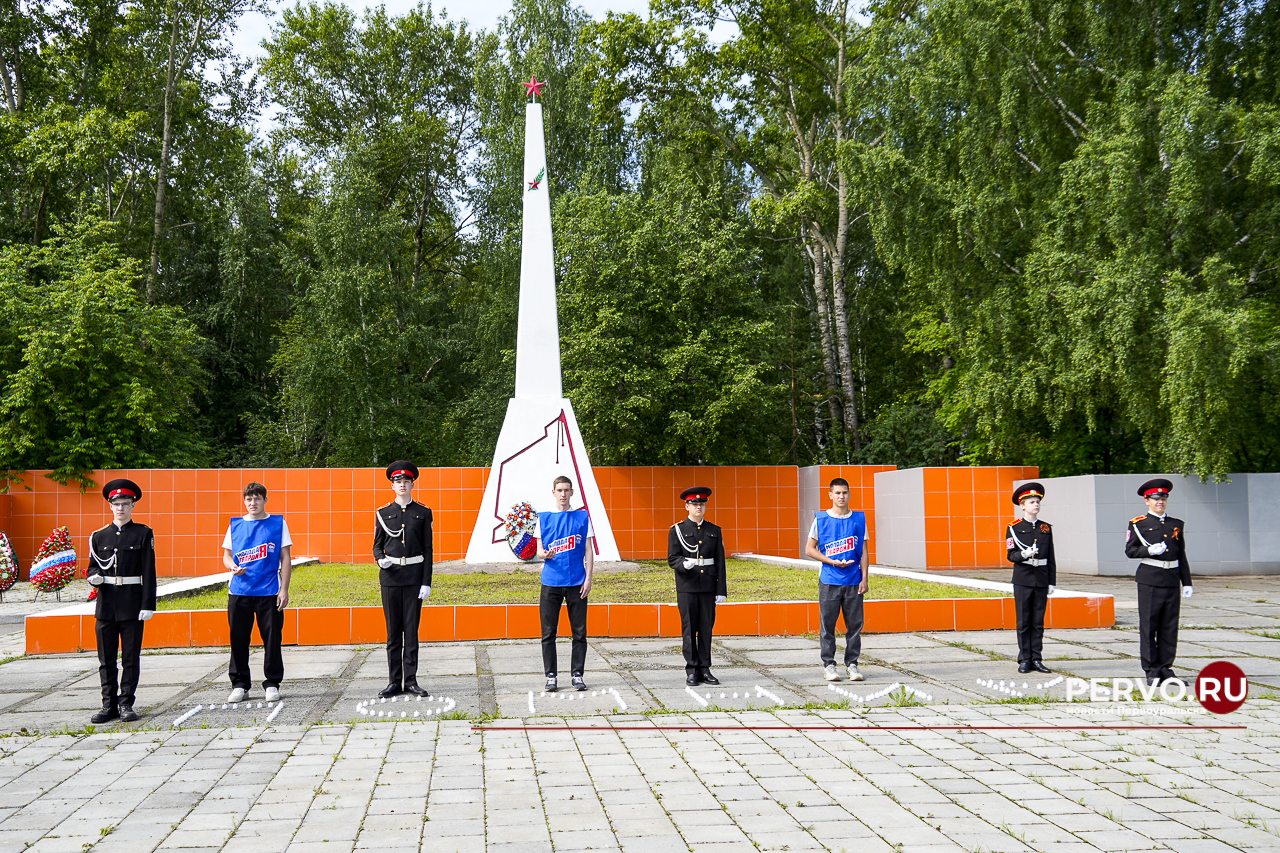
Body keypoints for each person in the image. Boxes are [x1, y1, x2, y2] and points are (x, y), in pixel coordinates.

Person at [86, 479, 157, 723]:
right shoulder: (99, 536)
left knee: (130, 658)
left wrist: (148, 604)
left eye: (125, 503)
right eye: (116, 504)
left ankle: (126, 703)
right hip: (106, 604)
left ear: (133, 505)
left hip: (132, 604)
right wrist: (93, 578)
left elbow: (149, 572)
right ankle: (108, 705)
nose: (120, 508)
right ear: (110, 506)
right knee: (106, 659)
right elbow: (92, 567)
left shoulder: (143, 533)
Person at [222, 482, 292, 703]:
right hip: (239, 592)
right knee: (238, 639)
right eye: (249, 499)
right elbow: (226, 556)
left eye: (257, 498)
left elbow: (286, 558)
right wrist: (233, 567)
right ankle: (240, 684)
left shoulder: (278, 523)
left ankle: (272, 683)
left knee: (272, 639)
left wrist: (284, 589)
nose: (253, 503)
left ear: (265, 500)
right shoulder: (235, 525)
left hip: (269, 591)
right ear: (244, 501)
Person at [372, 461, 434, 698]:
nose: (402, 485)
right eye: (398, 482)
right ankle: (394, 682)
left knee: (411, 631)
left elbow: (428, 550)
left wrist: (426, 582)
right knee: (393, 633)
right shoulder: (383, 513)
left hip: (414, 578)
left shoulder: (423, 512)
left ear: (412, 485)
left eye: (406, 481)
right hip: (391, 578)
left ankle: (411, 681)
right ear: (392, 485)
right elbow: (377, 545)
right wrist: (380, 560)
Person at [1125, 478, 1192, 685]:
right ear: (1147, 501)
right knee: (1149, 625)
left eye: (1163, 498)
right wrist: (1149, 551)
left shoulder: (1176, 524)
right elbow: (1130, 551)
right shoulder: (1138, 524)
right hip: (1150, 579)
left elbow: (1181, 554)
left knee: (1169, 627)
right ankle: (1152, 670)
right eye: (1155, 498)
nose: (1160, 501)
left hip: (1171, 579)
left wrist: (1187, 582)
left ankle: (1166, 668)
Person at [534, 476, 594, 692]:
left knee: (579, 632)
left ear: (572, 492)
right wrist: (545, 555)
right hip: (551, 583)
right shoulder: (544, 518)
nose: (563, 494)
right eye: (559, 490)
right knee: (548, 633)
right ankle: (551, 676)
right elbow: (539, 551)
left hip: (577, 583)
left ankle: (577, 674)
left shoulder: (582, 517)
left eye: (566, 490)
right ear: (553, 492)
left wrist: (588, 578)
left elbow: (588, 550)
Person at [805, 478, 869, 682]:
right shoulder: (821, 519)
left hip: (853, 580)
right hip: (829, 580)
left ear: (849, 494)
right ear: (830, 495)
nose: (841, 496)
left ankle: (852, 665)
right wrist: (831, 561)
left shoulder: (859, 519)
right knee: (827, 626)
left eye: (845, 492)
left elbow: (864, 552)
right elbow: (809, 549)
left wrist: (865, 578)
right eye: (838, 493)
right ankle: (829, 665)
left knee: (855, 626)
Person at [668, 487, 728, 686]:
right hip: (687, 586)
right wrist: (683, 564)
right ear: (687, 507)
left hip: (708, 586)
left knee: (705, 629)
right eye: (694, 504)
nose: (698, 507)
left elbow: (720, 562)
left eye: (701, 504)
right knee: (689, 629)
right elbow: (672, 558)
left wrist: (721, 590)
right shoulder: (677, 530)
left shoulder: (714, 530)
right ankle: (692, 669)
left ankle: (705, 669)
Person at [1006, 482, 1056, 674]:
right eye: (1031, 502)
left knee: (1038, 622)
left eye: (1037, 502)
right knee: (1024, 621)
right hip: (1023, 579)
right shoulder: (1014, 528)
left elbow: (1051, 557)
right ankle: (1025, 659)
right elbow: (1011, 555)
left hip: (1041, 579)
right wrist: (1023, 555)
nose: (1036, 505)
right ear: (1022, 505)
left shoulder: (1046, 528)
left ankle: (1037, 658)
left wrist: (1051, 581)